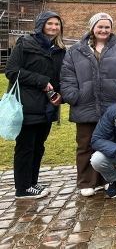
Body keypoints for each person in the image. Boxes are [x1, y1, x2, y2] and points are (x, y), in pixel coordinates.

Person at [60, 12, 116, 197]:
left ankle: (106, 179)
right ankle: (86, 181)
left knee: (107, 144)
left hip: (112, 105)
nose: (103, 30)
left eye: (107, 27)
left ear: (111, 29)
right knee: (85, 144)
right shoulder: (76, 50)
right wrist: (73, 95)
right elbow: (67, 75)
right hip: (84, 104)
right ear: (92, 28)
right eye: (100, 26)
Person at [6, 12, 66, 199]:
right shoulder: (25, 44)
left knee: (38, 145)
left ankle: (32, 182)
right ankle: (22, 188)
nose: (54, 27)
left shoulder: (59, 50)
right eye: (50, 24)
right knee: (25, 147)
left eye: (57, 24)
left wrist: (60, 95)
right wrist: (41, 81)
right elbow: (12, 71)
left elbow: (59, 78)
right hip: (27, 104)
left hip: (47, 106)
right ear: (41, 25)